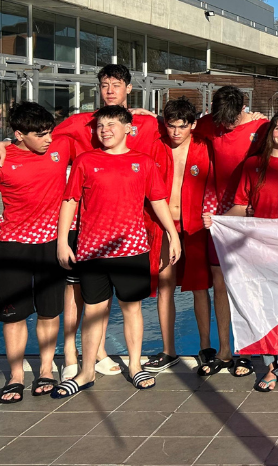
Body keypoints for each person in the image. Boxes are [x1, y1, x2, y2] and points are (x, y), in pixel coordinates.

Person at [0, 64, 163, 379]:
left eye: (117, 85)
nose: (110, 90)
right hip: (80, 223)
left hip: (119, 225)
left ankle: (99, 351)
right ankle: (70, 355)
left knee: (102, 296)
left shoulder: (144, 122)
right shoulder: (80, 122)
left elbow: (179, 130)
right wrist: (4, 143)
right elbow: (37, 135)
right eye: (104, 84)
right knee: (74, 292)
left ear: (129, 89)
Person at [52, 105, 180, 397]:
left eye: (111, 125)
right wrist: (62, 241)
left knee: (132, 309)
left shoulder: (142, 162)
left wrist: (172, 234)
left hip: (131, 250)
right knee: (93, 311)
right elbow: (70, 200)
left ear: (128, 129)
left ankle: (135, 366)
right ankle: (86, 372)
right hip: (92, 251)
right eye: (100, 126)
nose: (105, 130)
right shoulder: (85, 161)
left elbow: (157, 200)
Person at [0, 103, 73, 403]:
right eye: (40, 135)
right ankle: (16, 376)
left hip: (52, 244)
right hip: (14, 247)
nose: (48, 139)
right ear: (19, 135)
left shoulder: (60, 145)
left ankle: (47, 370)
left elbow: (97, 125)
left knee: (49, 312)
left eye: (49, 132)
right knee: (14, 316)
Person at [208, 111, 278, 392]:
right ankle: (270, 368)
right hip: (259, 248)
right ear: (270, 132)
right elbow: (241, 206)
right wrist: (218, 221)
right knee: (264, 308)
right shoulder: (253, 165)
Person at [192, 85, 267, 377]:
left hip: (247, 212)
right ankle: (225, 351)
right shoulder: (211, 123)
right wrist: (141, 113)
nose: (226, 125)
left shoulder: (260, 127)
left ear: (242, 109)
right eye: (221, 120)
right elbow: (177, 124)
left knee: (246, 283)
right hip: (218, 213)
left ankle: (247, 350)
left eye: (231, 120)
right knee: (220, 282)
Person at [142, 98, 214, 373]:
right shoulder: (155, 146)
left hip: (195, 225)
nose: (175, 132)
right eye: (171, 126)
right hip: (162, 224)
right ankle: (168, 350)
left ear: (193, 125)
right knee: (165, 285)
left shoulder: (204, 147)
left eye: (182, 126)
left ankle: (205, 347)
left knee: (199, 286)